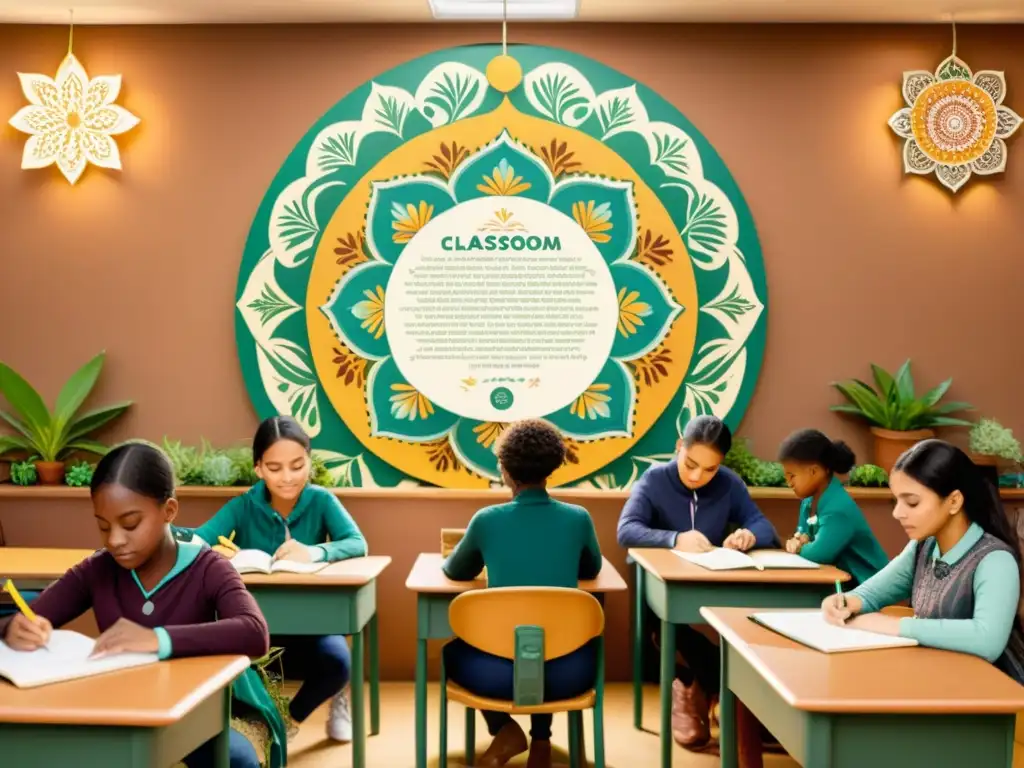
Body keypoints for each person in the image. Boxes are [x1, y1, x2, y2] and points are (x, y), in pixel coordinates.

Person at [0, 443, 286, 768]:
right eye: (103, 526)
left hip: (198, 713)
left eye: (131, 524)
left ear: (169, 510)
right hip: (120, 712)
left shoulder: (208, 567)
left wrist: (158, 639)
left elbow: (254, 632)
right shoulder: (98, 568)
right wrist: (11, 627)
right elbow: (35, 613)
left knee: (238, 761)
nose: (114, 540)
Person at [190, 415, 368, 743]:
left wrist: (315, 552)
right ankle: (251, 724)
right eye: (275, 468)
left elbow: (357, 542)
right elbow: (198, 538)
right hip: (257, 626)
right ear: (258, 468)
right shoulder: (243, 505)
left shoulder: (322, 500)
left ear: (309, 461)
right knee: (222, 659)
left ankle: (286, 719)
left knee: (337, 663)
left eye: (297, 465)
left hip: (314, 623)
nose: (288, 478)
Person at [442, 419, 603, 768]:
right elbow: (591, 570)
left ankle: (505, 728)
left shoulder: (486, 520)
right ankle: (540, 741)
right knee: (546, 638)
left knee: (452, 653)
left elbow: (455, 571)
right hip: (570, 675)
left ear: (504, 468)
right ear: (553, 467)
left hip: (497, 677)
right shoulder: (579, 519)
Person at [616, 415, 777, 750]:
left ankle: (709, 691)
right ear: (679, 447)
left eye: (709, 470)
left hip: (711, 579)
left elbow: (763, 525)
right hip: (658, 582)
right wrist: (674, 538)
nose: (696, 476)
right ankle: (709, 688)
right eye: (690, 463)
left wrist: (748, 535)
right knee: (659, 630)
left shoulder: (729, 484)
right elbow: (626, 529)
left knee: (747, 622)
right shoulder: (655, 479)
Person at [822, 439, 1024, 683]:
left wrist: (896, 626)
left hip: (992, 697)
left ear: (954, 502)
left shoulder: (995, 560)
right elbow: (871, 594)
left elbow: (986, 639)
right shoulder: (922, 548)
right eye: (896, 501)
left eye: (912, 502)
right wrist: (845, 602)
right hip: (937, 681)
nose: (898, 513)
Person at [780, 429, 889, 587]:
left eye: (792, 476)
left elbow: (818, 554)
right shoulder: (808, 502)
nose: (789, 483)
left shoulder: (838, 508)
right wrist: (798, 541)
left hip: (872, 588)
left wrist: (799, 547)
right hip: (843, 584)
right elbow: (802, 536)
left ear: (814, 471)